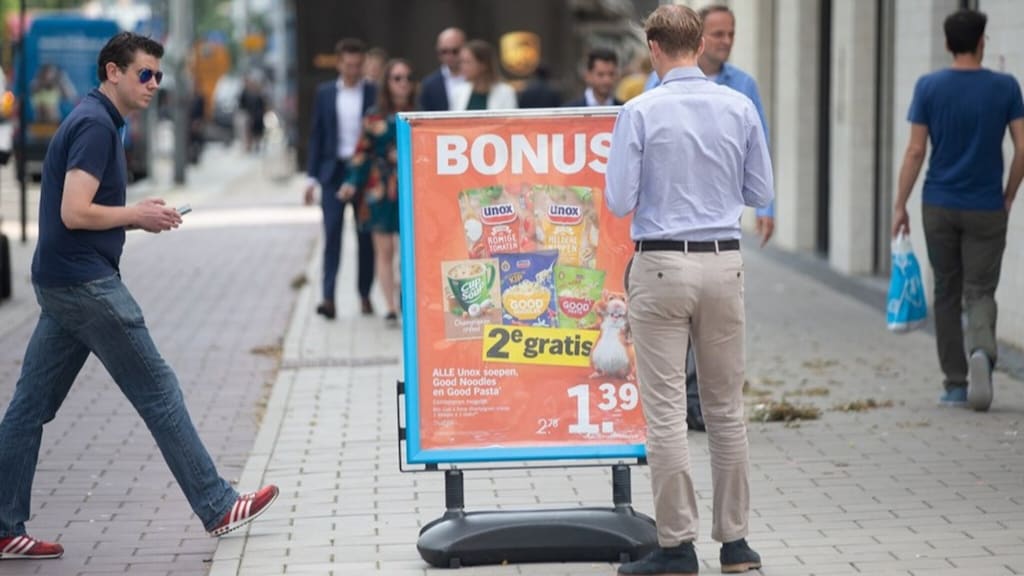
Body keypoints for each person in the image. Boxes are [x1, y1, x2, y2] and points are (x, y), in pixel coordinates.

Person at [0, 32, 278, 561]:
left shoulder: (96, 120)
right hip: (85, 284)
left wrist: (137, 215)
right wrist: (138, 216)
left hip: (62, 281)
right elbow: (74, 212)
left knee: (28, 409)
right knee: (160, 392)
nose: (153, 84)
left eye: (158, 75)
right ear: (113, 73)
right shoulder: (94, 125)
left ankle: (3, 526)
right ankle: (217, 505)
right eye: (144, 74)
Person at [604, 5, 772, 575]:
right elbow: (760, 188)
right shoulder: (739, 105)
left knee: (668, 412)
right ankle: (737, 545)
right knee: (726, 409)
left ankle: (676, 546)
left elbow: (620, 201)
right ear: (700, 45)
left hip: (661, 266)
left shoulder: (639, 111)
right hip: (724, 263)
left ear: (653, 48)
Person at [892, 8, 1023, 412]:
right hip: (986, 205)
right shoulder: (1005, 87)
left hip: (940, 204)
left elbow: (916, 151)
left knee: (946, 291)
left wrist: (900, 205)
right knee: (980, 290)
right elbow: (1022, 147)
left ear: (948, 44)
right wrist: (1008, 193)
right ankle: (982, 351)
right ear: (982, 42)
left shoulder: (930, 86)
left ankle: (954, 383)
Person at [304, 38, 377, 319]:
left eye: (358, 65)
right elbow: (317, 135)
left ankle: (365, 295)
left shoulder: (372, 91)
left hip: (364, 173)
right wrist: (311, 178)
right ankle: (328, 297)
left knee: (365, 236)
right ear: (339, 63)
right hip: (332, 174)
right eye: (348, 65)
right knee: (331, 234)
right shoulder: (325, 93)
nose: (353, 70)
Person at [340, 59, 415, 329]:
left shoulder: (420, 114)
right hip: (380, 188)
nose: (403, 83)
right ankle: (390, 307)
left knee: (410, 250)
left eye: (407, 77)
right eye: (397, 78)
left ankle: (408, 301)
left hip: (412, 188)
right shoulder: (374, 116)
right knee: (384, 250)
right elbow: (361, 153)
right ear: (387, 83)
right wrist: (350, 182)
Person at [450, 39, 517, 111]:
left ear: (483, 65)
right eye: (461, 62)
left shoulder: (505, 92)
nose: (462, 67)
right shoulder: (458, 92)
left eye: (467, 62)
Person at [419, 27, 466, 111]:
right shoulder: (429, 85)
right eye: (444, 51)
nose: (449, 56)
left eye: (455, 51)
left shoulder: (478, 80)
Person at [238, 75, 267, 153]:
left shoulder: (259, 96)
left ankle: (256, 145)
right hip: (252, 116)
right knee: (250, 131)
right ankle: (250, 146)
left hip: (258, 116)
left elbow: (263, 106)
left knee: (258, 132)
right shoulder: (247, 94)